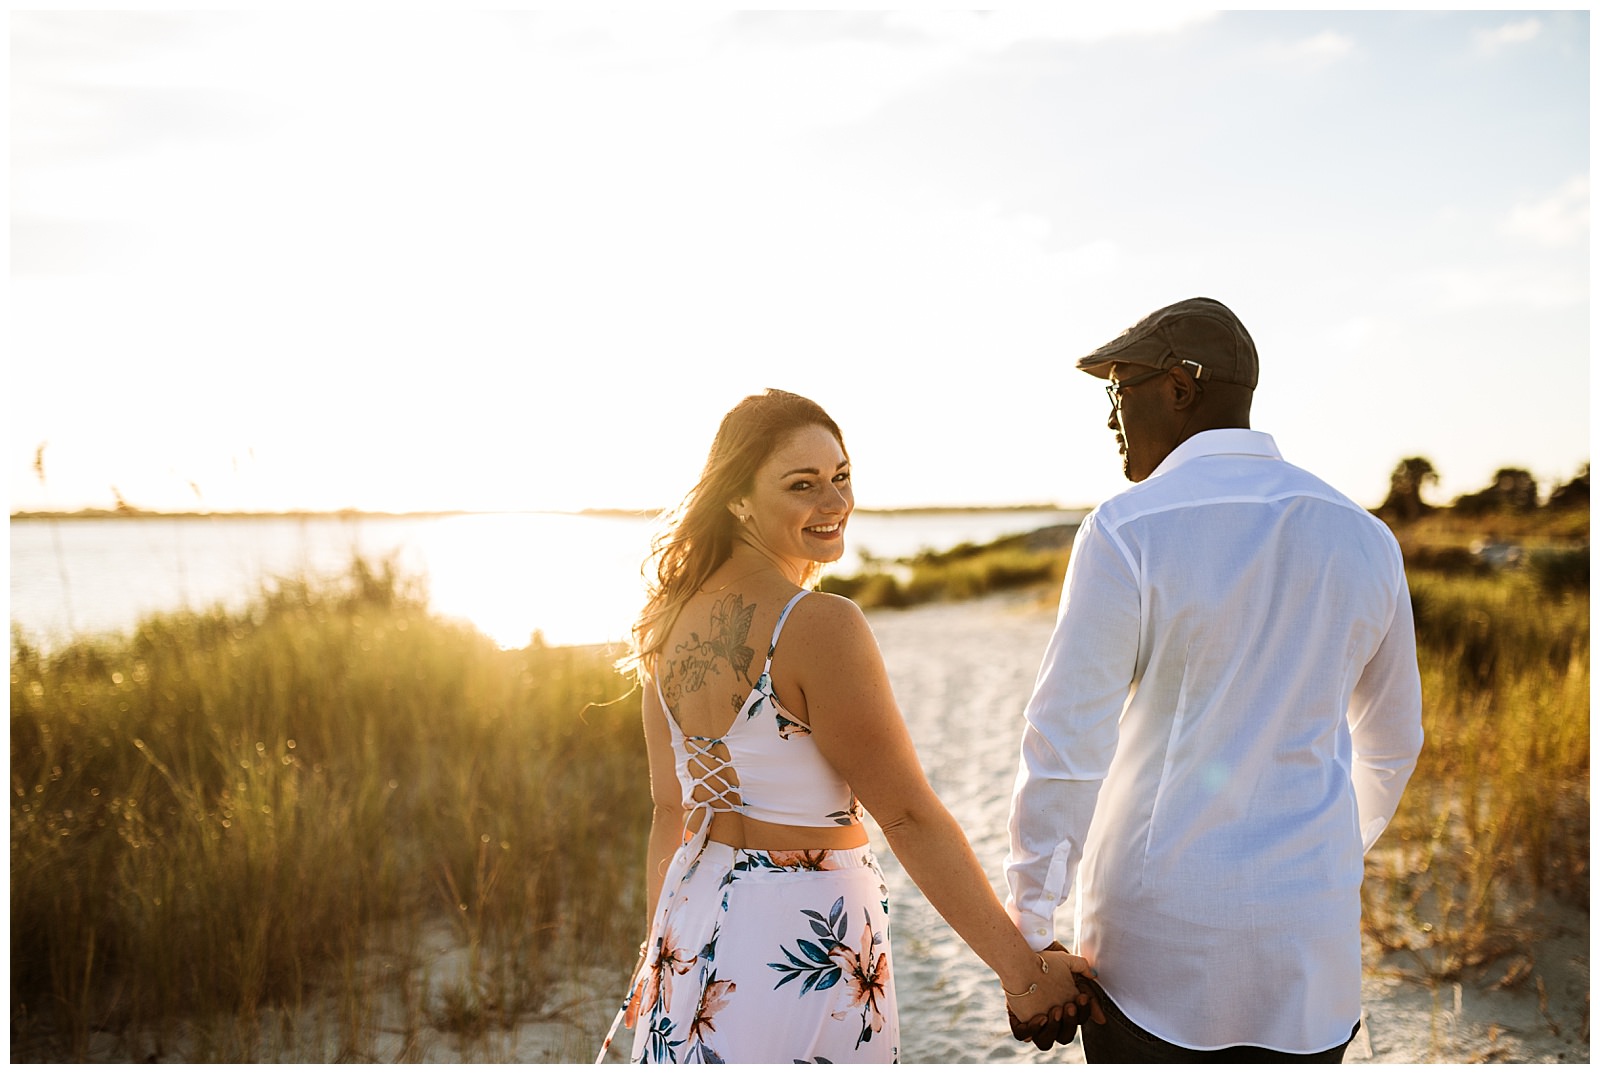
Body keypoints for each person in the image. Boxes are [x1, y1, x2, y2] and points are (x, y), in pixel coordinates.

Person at [597, 388, 1094, 1064]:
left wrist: (664, 954)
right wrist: (1025, 973)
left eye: (842, 477)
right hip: (800, 938)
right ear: (737, 498)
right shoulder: (818, 624)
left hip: (690, 923)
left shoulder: (666, 618)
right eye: (803, 485)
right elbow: (909, 817)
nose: (834, 503)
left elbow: (669, 809)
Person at [1003, 298, 1425, 1061]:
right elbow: (1392, 746)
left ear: (1181, 387)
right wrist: (1317, 863)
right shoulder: (1366, 538)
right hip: (1310, 949)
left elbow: (1066, 745)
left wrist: (1030, 936)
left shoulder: (1126, 530)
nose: (1111, 417)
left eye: (1119, 390)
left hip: (1156, 951)